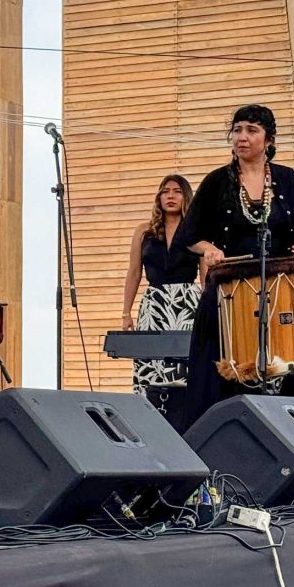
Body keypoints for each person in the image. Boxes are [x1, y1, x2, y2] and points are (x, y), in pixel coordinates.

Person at [174, 104, 294, 431]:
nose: (242, 137)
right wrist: (209, 249)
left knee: (289, 370)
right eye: (237, 130)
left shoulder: (287, 179)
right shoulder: (217, 182)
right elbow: (189, 235)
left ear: (268, 140)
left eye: (251, 130)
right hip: (229, 291)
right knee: (219, 378)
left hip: (281, 288)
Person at [121, 175, 203, 427]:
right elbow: (134, 272)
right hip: (154, 302)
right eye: (165, 191)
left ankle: (185, 422)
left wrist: (211, 312)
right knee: (150, 363)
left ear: (185, 197)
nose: (170, 196)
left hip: (187, 301)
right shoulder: (143, 231)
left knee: (186, 363)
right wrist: (126, 312)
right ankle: (149, 422)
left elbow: (206, 276)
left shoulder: (195, 232)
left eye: (177, 191)